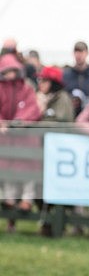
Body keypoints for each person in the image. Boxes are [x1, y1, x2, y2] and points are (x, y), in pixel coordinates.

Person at [0, 53, 42, 224]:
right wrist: (3, 122)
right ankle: (9, 200)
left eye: (13, 70)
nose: (10, 74)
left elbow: (33, 108)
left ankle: (26, 199)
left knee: (28, 170)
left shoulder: (26, 88)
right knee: (7, 170)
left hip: (24, 139)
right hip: (5, 140)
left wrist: (20, 121)